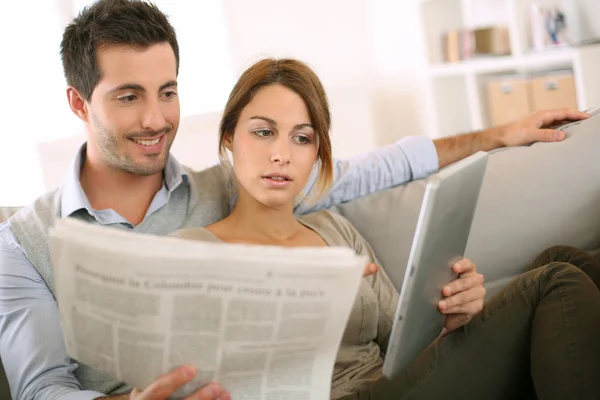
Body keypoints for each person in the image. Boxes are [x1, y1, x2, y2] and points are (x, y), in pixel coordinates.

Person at [0, 0, 590, 399]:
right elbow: (39, 389)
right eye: (128, 96)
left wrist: (497, 134)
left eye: (168, 92)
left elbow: (368, 171)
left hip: (376, 375)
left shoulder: (233, 185)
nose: (156, 118)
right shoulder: (23, 244)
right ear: (79, 104)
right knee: (558, 282)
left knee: (569, 258)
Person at [172, 58, 600, 400]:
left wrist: (454, 319)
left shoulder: (334, 230)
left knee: (562, 258)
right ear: (230, 137)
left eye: (301, 138)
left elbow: (404, 345)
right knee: (555, 283)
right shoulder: (192, 251)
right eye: (263, 132)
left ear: (317, 153)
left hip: (393, 383)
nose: (281, 154)